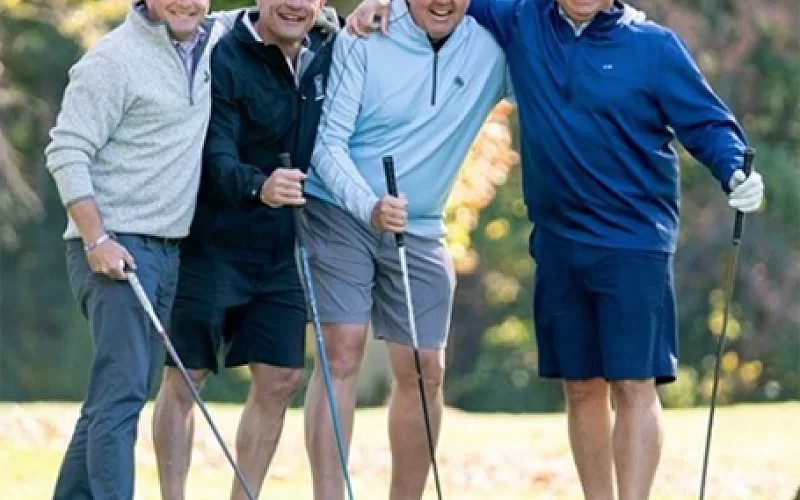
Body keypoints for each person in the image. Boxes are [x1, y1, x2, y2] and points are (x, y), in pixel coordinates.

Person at [346, 0, 765, 499]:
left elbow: (708, 124)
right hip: (558, 243)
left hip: (634, 243)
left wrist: (735, 167)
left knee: (634, 383)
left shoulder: (653, 47)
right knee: (581, 384)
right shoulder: (522, 20)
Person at [301, 0, 512, 497]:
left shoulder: (490, 51)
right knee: (342, 350)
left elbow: (557, 70)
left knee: (426, 369)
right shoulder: (363, 37)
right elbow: (327, 144)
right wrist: (369, 205)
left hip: (420, 225)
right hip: (340, 208)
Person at [150, 0, 338, 499]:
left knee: (280, 377)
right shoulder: (226, 50)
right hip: (213, 240)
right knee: (186, 377)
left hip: (282, 247)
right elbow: (215, 151)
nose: (295, 5)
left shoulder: (329, 47)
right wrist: (259, 186)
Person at [43, 0, 227, 497]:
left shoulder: (213, 41)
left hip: (168, 250)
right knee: (121, 396)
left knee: (118, 395)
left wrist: (351, 12)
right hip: (117, 248)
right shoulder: (112, 60)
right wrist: (96, 237)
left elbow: (273, 15)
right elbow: (67, 149)